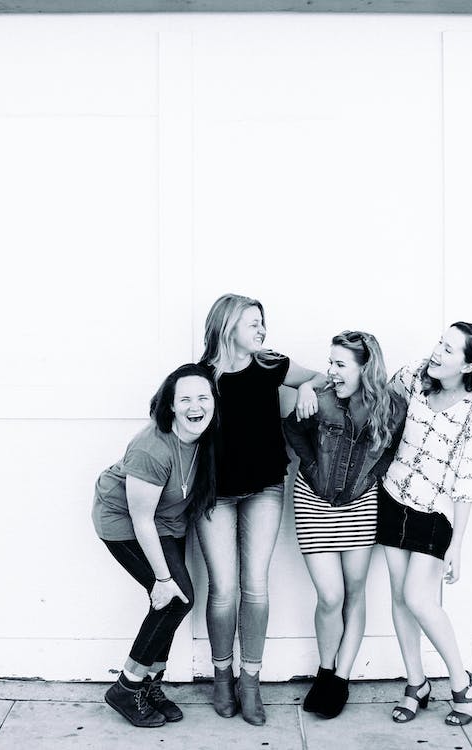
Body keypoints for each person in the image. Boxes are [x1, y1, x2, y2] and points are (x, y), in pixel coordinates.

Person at [195, 293, 326, 726]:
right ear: (227, 325)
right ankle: (221, 676)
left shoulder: (273, 366)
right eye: (253, 323)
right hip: (214, 494)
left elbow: (326, 379)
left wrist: (304, 385)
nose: (261, 330)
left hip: (265, 488)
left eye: (262, 323)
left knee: (255, 586)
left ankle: (250, 682)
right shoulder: (199, 377)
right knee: (223, 590)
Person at [377, 322, 472, 727]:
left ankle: (461, 681)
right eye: (439, 343)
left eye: (448, 350)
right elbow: (376, 401)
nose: (437, 352)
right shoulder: (415, 377)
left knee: (419, 598)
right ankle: (416, 684)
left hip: (435, 512)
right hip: (392, 496)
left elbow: (468, 484)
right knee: (399, 596)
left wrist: (457, 544)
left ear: (468, 366)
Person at [282, 330, 407, 719]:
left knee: (354, 592)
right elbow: (292, 430)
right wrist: (313, 466)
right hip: (314, 504)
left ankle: (340, 679)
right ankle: (325, 667)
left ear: (365, 367)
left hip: (360, 507)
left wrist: (374, 477)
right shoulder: (318, 400)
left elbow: (394, 448)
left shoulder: (392, 406)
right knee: (330, 596)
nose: (331, 371)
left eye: (340, 364)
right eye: (330, 362)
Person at [92, 363, 220, 728]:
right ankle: (126, 686)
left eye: (203, 397)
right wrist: (162, 580)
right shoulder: (151, 447)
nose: (195, 406)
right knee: (175, 597)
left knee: (173, 602)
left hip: (166, 522)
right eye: (185, 399)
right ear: (170, 407)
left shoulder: (206, 438)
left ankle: (149, 684)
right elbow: (141, 519)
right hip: (124, 523)